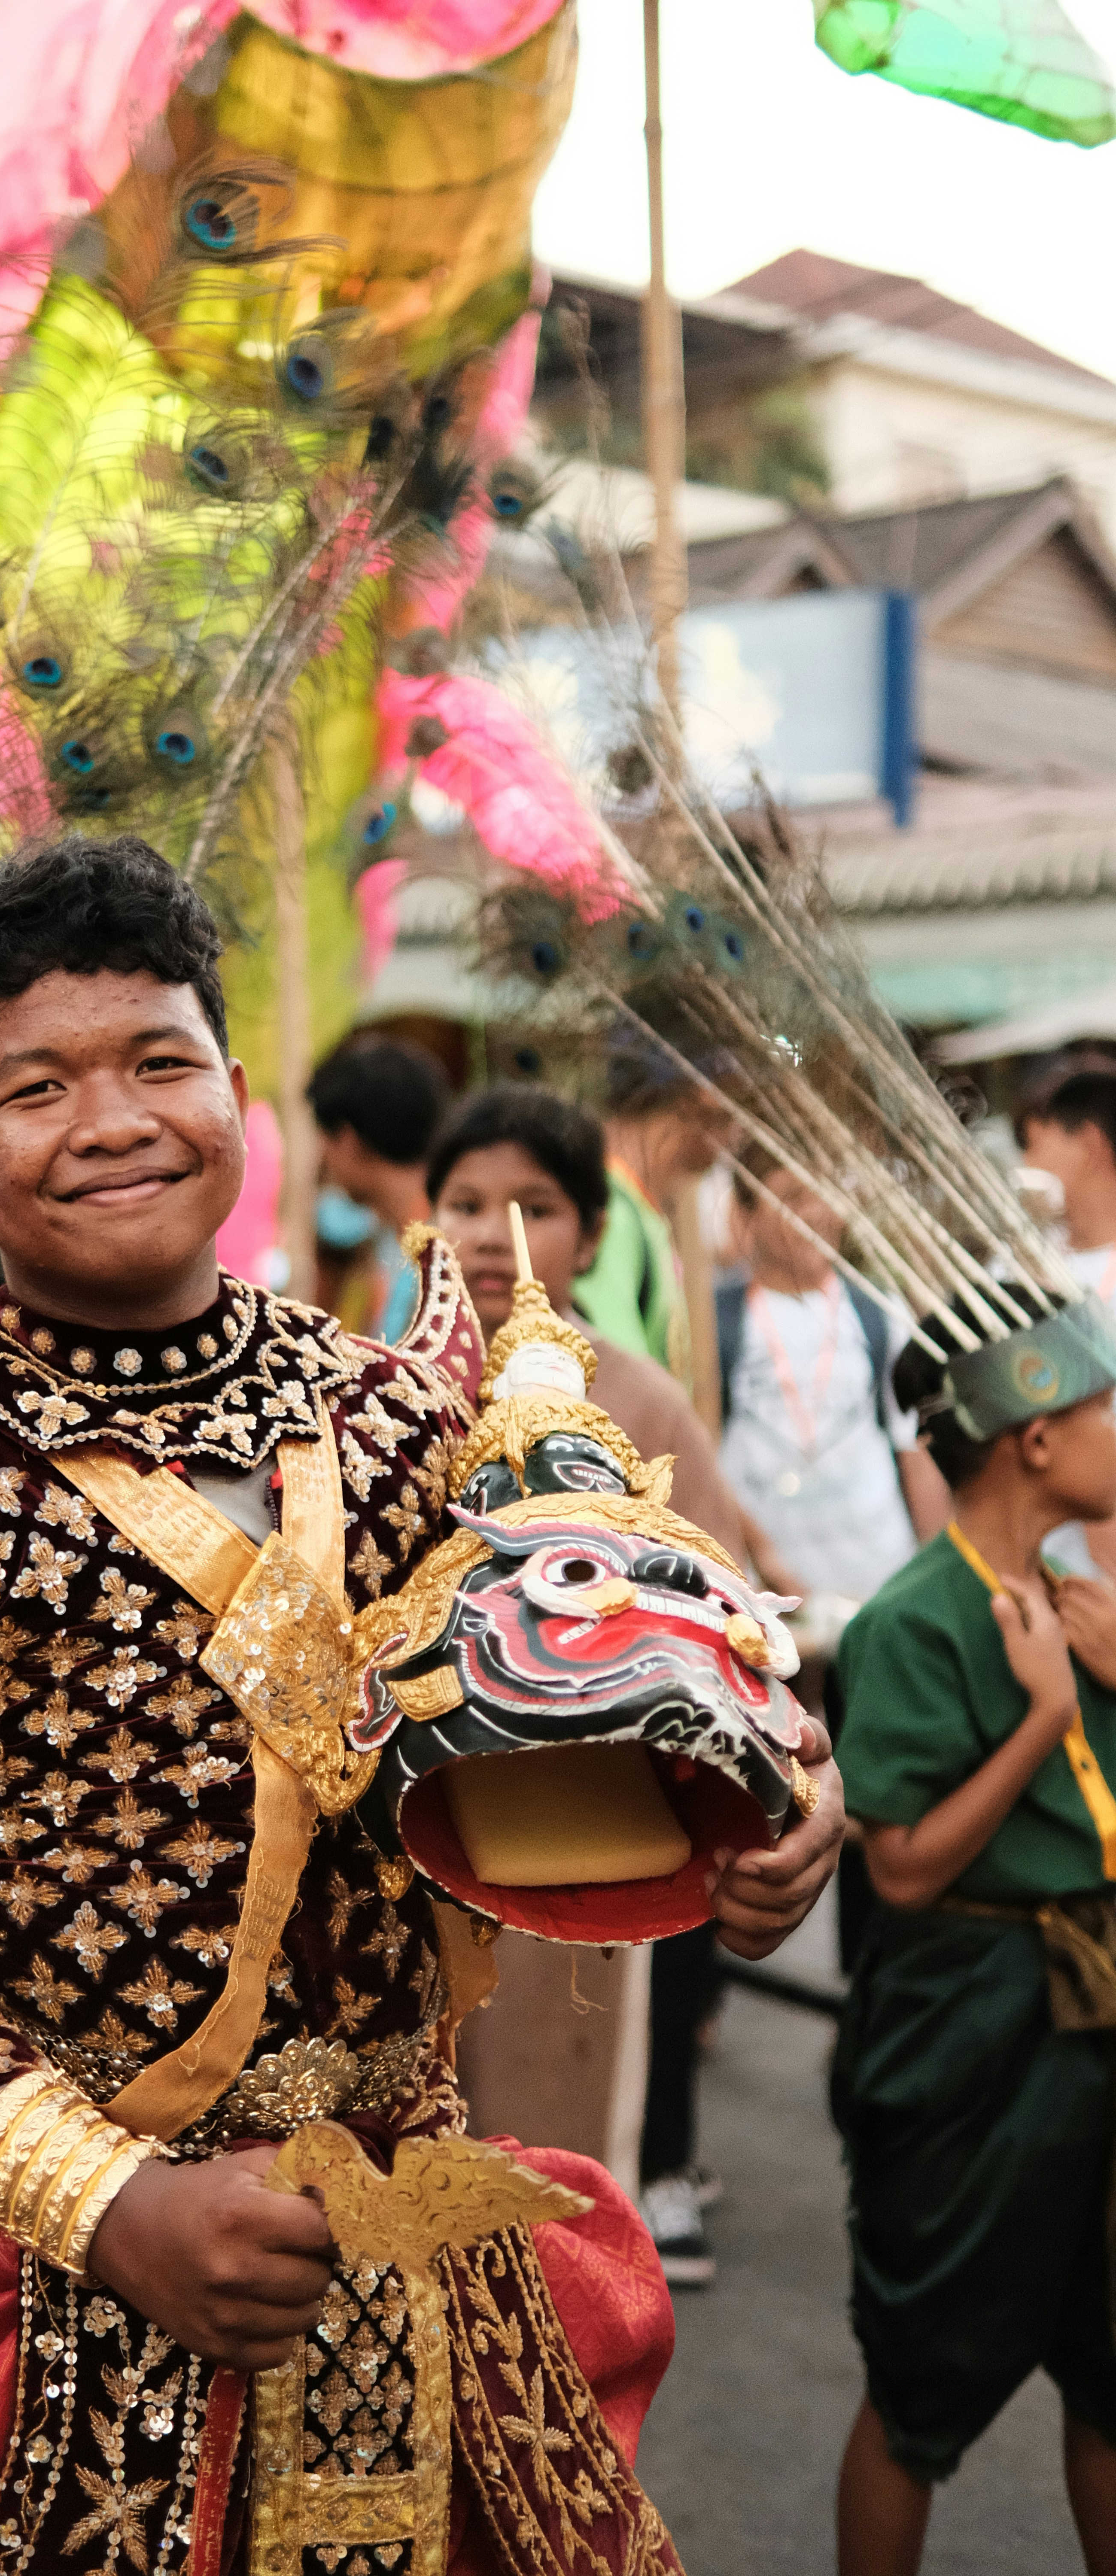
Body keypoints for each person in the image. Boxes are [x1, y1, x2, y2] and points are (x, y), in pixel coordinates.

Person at [0, 839, 842, 2575]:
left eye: (159, 1064)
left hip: (423, 2260)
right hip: (61, 2284)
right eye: (36, 1087)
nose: (112, 1122)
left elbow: (620, 1689)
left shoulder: (404, 1415)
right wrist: (110, 2206)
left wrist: (766, 1817)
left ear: (234, 1092)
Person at [427, 1080, 752, 2292]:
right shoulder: (378, 1394)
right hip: (399, 1851)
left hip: (587, 1860)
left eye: (533, 1204)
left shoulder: (642, 1406)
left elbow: (735, 1629)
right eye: (462, 1201)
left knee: (556, 2176)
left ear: (594, 1236)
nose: (487, 1230)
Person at [832, 1292, 1116, 2576]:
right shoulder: (911, 1618)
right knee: (921, 2387)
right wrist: (1038, 1712)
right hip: (970, 2020)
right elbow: (897, 1868)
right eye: (1100, 1403)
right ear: (1033, 1439)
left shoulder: (1077, 1595)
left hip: (1091, 2012)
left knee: (1111, 2373)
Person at [717, 1148, 947, 1604]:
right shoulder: (716, 1320)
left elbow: (913, 1449)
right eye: (792, 1197)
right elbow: (699, 1451)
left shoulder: (878, 1312)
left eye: (826, 1195)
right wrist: (759, 1555)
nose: (816, 1213)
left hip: (879, 1580)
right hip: (764, 1596)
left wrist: (938, 1573)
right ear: (744, 1216)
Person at [575, 1041, 736, 1382]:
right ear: (696, 1102)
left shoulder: (640, 1209)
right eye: (730, 1114)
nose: (736, 1136)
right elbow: (617, 1376)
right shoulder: (614, 1213)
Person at [1016, 1066, 1116, 1583]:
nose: (1026, 1166)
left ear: (1089, 1145)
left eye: (1036, 1144)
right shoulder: (1015, 1272)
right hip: (1041, 1576)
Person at [308, 1032, 450, 1339]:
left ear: (347, 1139)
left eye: (324, 1139)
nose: (324, 1158)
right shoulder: (388, 1239)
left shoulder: (443, 1254)